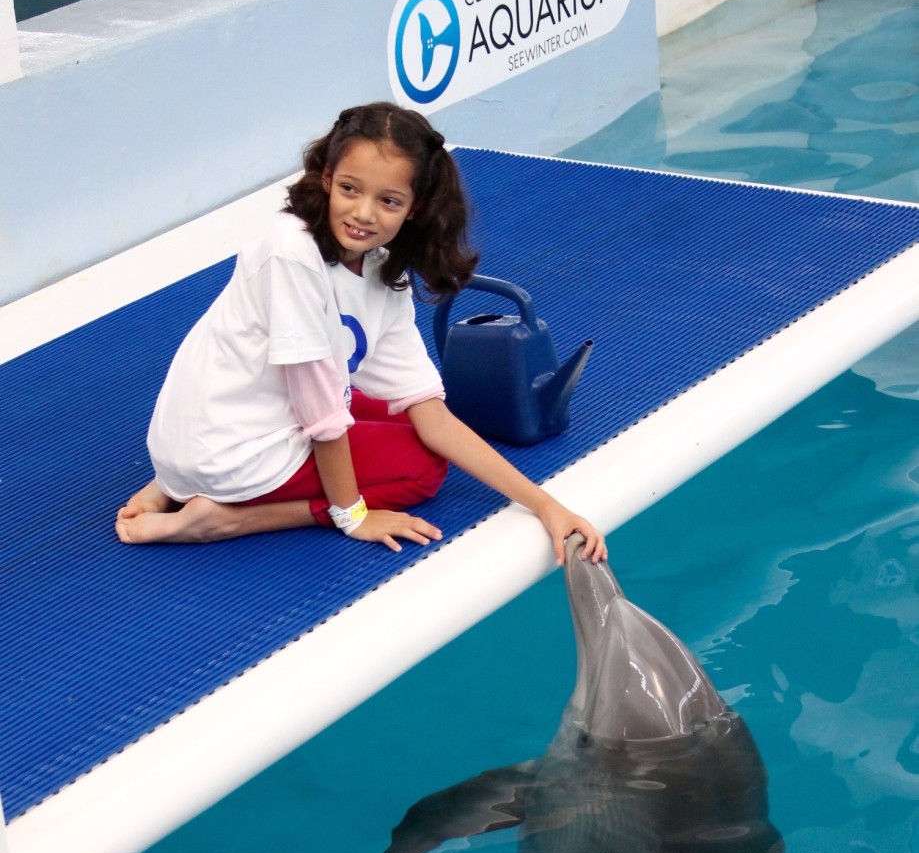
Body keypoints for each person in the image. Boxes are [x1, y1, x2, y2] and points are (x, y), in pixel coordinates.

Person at [116, 103, 606, 564]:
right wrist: (353, 516)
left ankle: (175, 486)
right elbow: (323, 414)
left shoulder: (381, 270)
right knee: (421, 469)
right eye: (350, 189)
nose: (364, 213)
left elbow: (432, 417)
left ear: (414, 207)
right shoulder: (291, 251)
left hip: (217, 429)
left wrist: (547, 507)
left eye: (388, 200)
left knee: (413, 430)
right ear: (326, 178)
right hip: (225, 447)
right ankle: (225, 520)